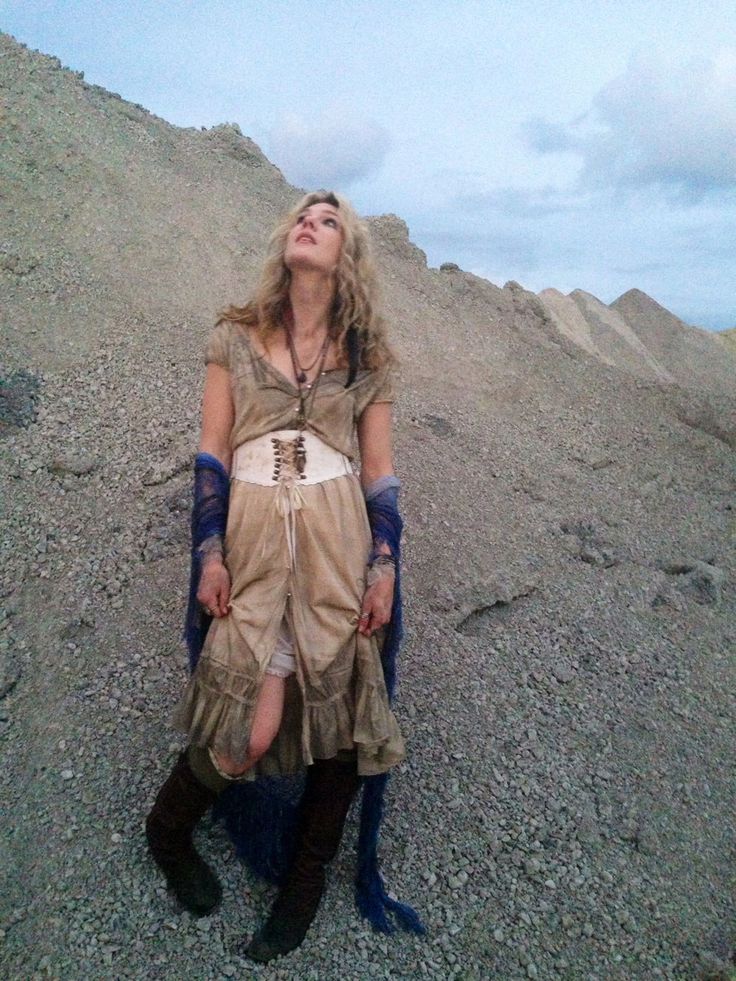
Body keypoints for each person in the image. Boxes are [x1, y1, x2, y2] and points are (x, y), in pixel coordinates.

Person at [145, 191, 422, 962]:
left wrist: (385, 564)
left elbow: (381, 477)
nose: (311, 222)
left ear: (348, 255)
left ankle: (304, 887)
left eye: (329, 221)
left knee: (341, 731)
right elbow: (211, 453)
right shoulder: (235, 336)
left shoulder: (368, 359)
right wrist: (208, 551)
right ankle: (166, 831)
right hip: (258, 548)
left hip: (339, 549)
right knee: (251, 729)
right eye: (303, 214)